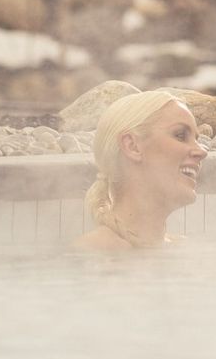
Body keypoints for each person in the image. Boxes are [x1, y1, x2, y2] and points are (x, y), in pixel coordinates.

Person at [73, 90, 207, 250]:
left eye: (196, 139)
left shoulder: (180, 248)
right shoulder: (96, 250)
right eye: (180, 135)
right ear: (132, 146)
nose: (202, 151)